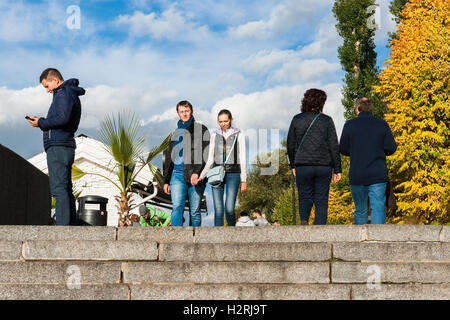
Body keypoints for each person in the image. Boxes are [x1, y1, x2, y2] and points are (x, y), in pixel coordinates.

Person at [27, 68, 85, 226]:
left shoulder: (64, 93)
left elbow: (62, 118)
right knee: (65, 189)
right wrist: (43, 121)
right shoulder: (66, 93)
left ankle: (62, 229)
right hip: (64, 145)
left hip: (59, 146)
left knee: (59, 189)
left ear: (56, 80)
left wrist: (41, 122)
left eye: (47, 86)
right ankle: (69, 226)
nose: (47, 90)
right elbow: (61, 118)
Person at [287, 88, 342, 225]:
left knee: (304, 196)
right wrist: (338, 169)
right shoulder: (327, 120)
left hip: (303, 165)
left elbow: (290, 144)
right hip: (323, 165)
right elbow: (334, 145)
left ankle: (304, 222)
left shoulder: (297, 119)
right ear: (321, 103)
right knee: (321, 199)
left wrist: (293, 165)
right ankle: (320, 229)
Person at [339, 97, 397, 225]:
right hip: (377, 174)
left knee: (360, 210)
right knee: (378, 207)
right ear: (371, 109)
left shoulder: (349, 125)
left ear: (357, 109)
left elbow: (342, 148)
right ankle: (378, 240)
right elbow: (392, 148)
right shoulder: (382, 124)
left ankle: (360, 241)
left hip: (357, 173)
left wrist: (355, 151)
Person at [163, 100, 210, 227]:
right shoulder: (174, 133)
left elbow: (205, 153)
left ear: (192, 111)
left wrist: (197, 172)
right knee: (177, 206)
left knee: (194, 211)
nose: (184, 114)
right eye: (181, 111)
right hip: (177, 174)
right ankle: (178, 239)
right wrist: (166, 181)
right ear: (178, 114)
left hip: (195, 175)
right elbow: (169, 159)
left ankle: (194, 241)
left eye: (187, 111)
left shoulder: (201, 129)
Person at [199, 109, 247, 226]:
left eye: (225, 121)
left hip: (233, 173)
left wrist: (244, 179)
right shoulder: (215, 135)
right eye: (220, 121)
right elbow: (210, 159)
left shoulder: (239, 134)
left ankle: (231, 234)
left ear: (231, 120)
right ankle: (217, 238)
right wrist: (201, 176)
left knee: (229, 209)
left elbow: (243, 157)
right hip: (216, 172)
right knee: (218, 210)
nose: (223, 124)